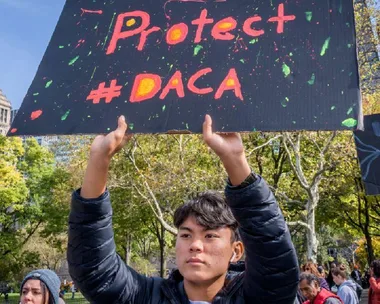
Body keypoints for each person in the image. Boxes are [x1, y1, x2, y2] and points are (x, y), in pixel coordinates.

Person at [67, 115, 299, 303]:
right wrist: (99, 158)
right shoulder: (146, 297)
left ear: (236, 251)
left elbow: (275, 257)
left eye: (210, 236)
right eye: (186, 235)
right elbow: (94, 268)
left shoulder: (257, 297)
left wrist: (235, 160)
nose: (195, 246)